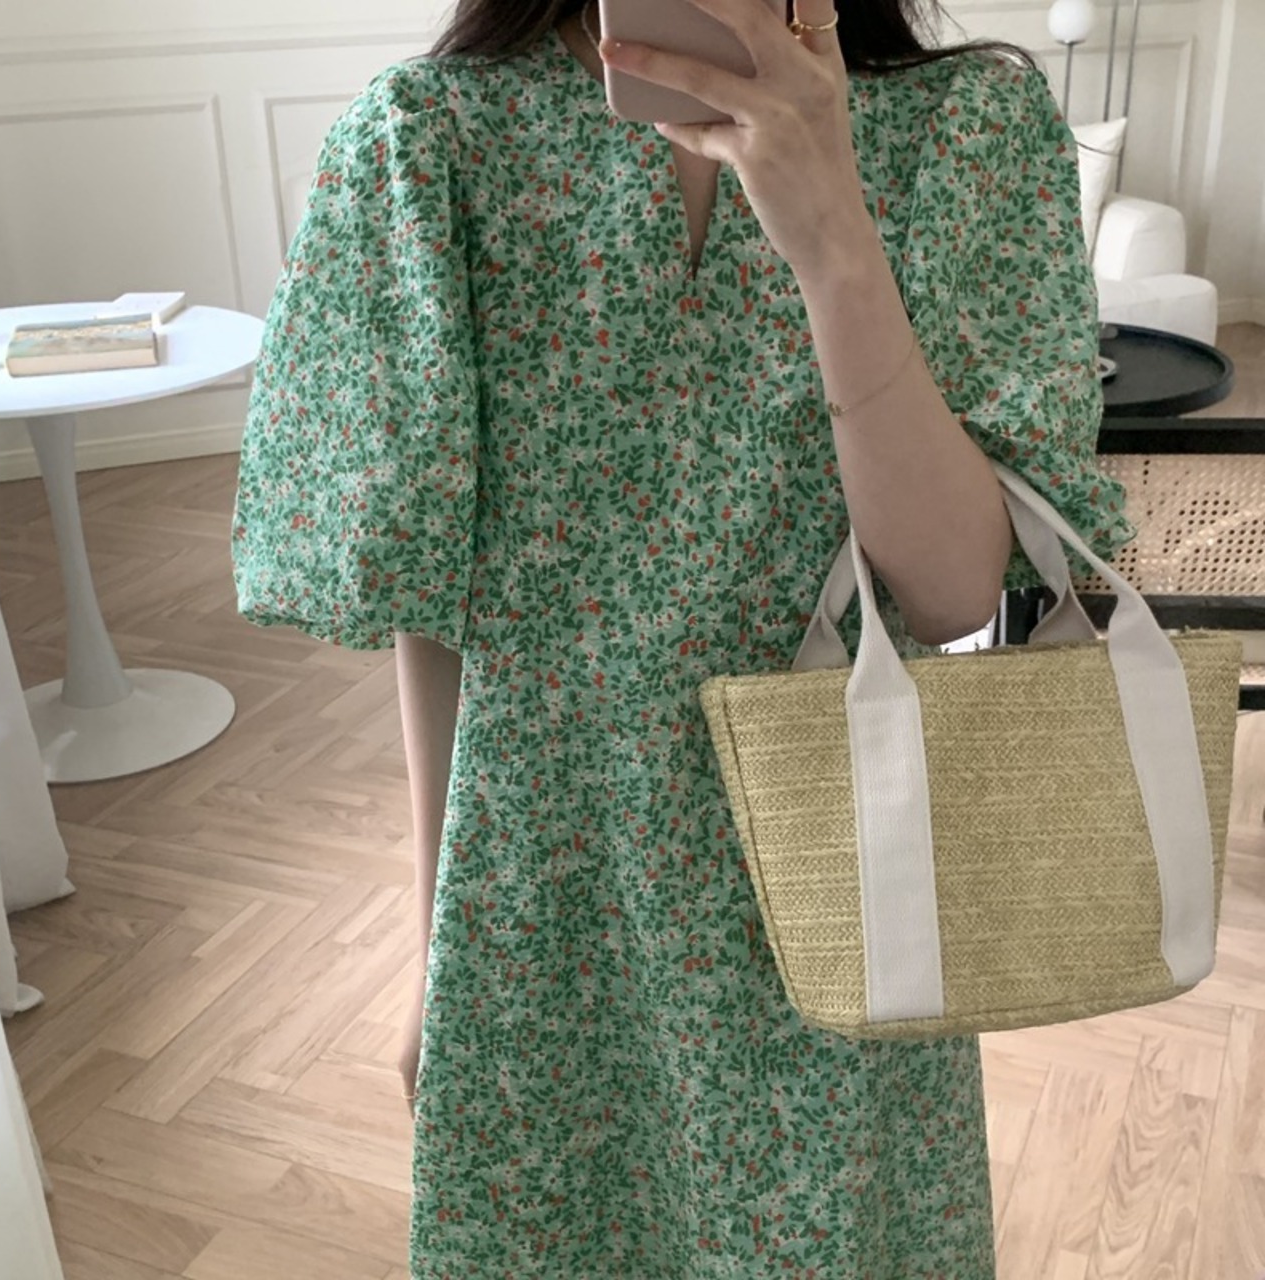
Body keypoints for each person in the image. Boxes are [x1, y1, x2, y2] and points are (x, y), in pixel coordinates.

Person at [232, 0, 1132, 1274]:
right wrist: (438, 946)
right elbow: (436, 608)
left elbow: (959, 595)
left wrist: (833, 240)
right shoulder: (426, 142)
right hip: (545, 896)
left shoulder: (965, 129)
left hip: (847, 881)